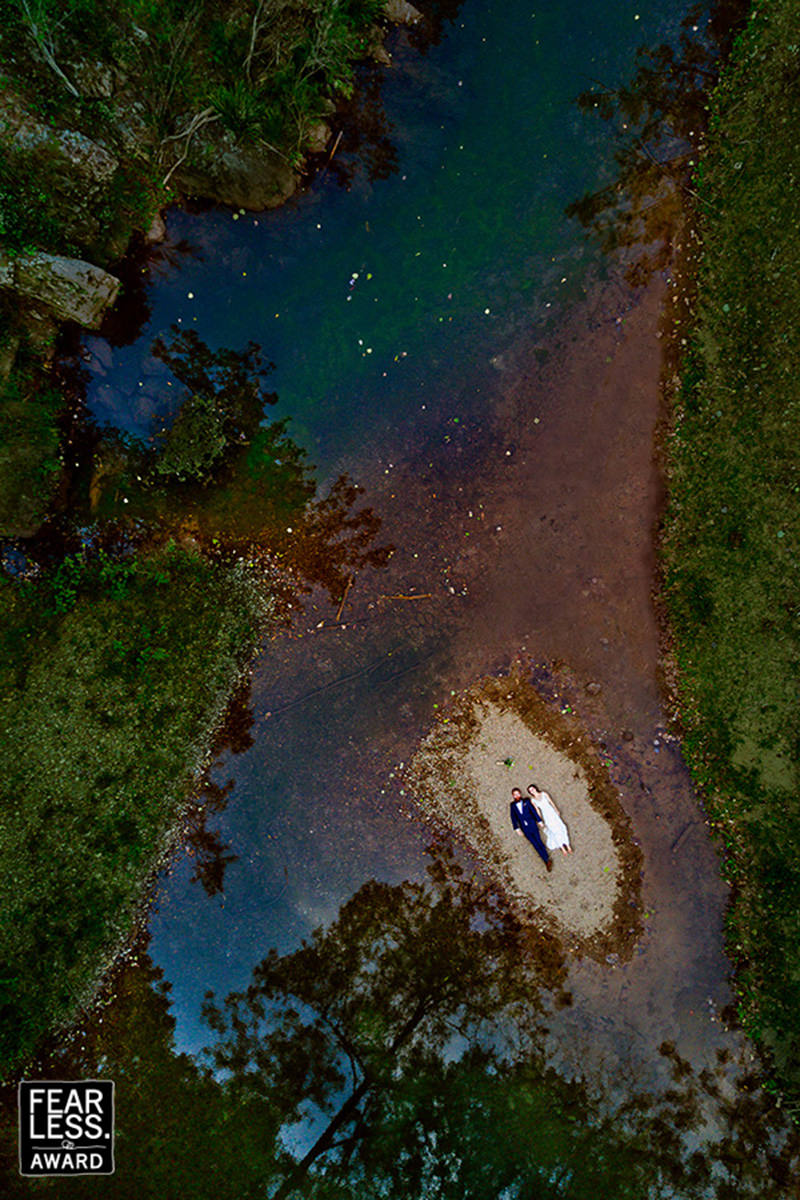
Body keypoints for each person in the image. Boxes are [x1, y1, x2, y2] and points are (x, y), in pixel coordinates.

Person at [509, 787, 552, 872]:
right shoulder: (512, 806)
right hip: (524, 828)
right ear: (513, 796)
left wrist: (539, 821)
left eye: (518, 793)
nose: (517, 795)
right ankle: (546, 860)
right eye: (515, 794)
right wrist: (517, 828)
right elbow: (513, 817)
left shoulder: (527, 801)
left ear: (520, 794)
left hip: (532, 824)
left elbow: (533, 811)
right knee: (534, 844)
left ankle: (546, 858)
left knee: (539, 841)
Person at [527, 783, 573, 855]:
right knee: (554, 830)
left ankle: (568, 845)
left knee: (561, 827)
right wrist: (540, 819)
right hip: (546, 815)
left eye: (532, 789)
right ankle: (562, 847)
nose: (532, 791)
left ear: (535, 788)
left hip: (552, 812)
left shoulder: (544, 793)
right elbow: (537, 810)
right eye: (530, 791)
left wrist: (556, 809)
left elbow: (551, 802)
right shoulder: (533, 800)